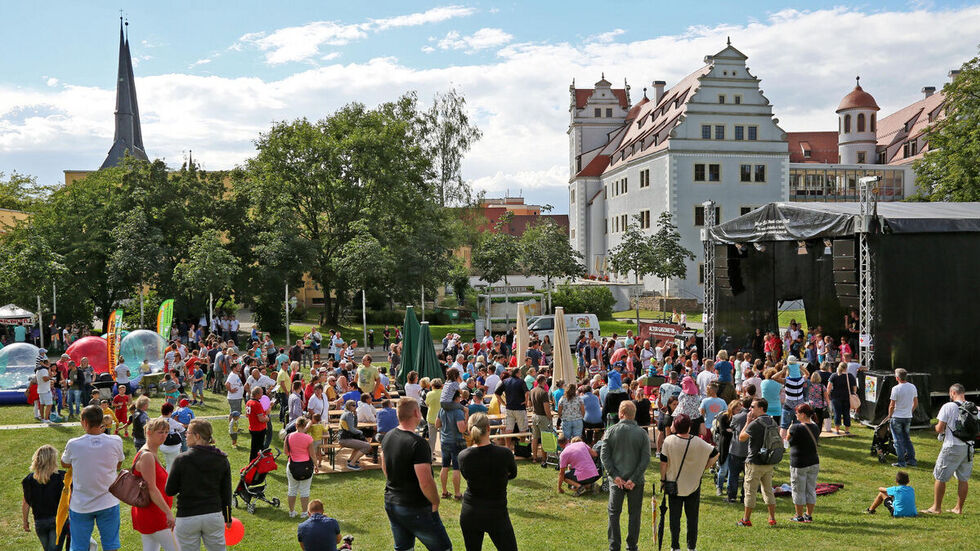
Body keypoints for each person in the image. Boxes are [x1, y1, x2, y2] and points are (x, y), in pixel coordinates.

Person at [381, 398, 452, 551]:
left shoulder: (388, 436)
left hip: (392, 502)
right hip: (416, 506)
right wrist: (435, 501)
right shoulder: (418, 443)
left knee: (403, 548)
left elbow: (385, 467)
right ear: (415, 413)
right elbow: (425, 481)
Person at [60, 404, 125, 551]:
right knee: (111, 546)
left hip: (81, 505)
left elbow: (64, 463)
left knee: (79, 547)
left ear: (84, 422)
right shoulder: (116, 441)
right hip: (108, 501)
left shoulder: (74, 444)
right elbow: (118, 463)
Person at [165, 419, 233, 551]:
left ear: (197, 436)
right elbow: (226, 492)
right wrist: (228, 517)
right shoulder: (221, 459)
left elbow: (170, 490)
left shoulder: (182, 459)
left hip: (187, 516)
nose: (185, 435)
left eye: (188, 432)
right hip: (213, 515)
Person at [458, 412, 518, 550]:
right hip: (496, 513)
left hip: (471, 512)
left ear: (469, 429)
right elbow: (512, 474)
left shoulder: (463, 456)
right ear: (489, 428)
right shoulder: (504, 454)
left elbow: (467, 476)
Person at [659, 414, 718, 551]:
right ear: (689, 427)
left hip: (673, 484)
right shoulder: (698, 441)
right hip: (693, 484)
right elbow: (715, 454)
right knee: (692, 519)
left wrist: (663, 480)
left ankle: (675, 546)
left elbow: (663, 463)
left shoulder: (669, 441)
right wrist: (703, 467)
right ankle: (691, 547)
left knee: (674, 518)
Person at [601, 401, 650, 551]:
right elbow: (645, 459)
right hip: (633, 481)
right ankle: (631, 546)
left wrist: (614, 476)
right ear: (633, 414)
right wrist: (633, 479)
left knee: (614, 513)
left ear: (621, 413)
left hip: (618, 480)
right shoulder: (642, 433)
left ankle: (614, 546)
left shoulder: (611, 431)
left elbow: (604, 455)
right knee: (634, 514)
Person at [922, 383, 975, 515]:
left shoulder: (948, 406)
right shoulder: (974, 408)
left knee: (940, 477)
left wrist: (935, 428)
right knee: (963, 478)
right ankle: (958, 508)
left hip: (952, 445)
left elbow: (940, 428)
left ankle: (936, 508)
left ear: (952, 393)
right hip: (968, 446)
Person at [131, 417, 178, 550]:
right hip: (155, 514)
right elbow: (152, 488)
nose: (164, 436)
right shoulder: (147, 456)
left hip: (150, 513)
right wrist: (168, 512)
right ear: (149, 432)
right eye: (160, 432)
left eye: (166, 432)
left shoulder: (150, 452)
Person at [737, 398, 779, 526]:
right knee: (768, 490)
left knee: (750, 491)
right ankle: (772, 518)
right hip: (768, 461)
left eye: (753, 407)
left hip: (754, 462)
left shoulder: (755, 424)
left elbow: (741, 438)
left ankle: (746, 519)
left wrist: (748, 422)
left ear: (761, 408)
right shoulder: (772, 421)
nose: (750, 409)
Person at [22, 444, 66, 551]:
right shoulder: (62, 477)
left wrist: (25, 521)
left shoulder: (29, 480)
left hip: (40, 522)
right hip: (58, 520)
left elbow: (26, 503)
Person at [787, 403, 821, 523]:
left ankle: (799, 515)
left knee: (798, 489)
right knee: (810, 489)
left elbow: (788, 441)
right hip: (813, 461)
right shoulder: (815, 427)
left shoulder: (796, 428)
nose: (796, 415)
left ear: (802, 414)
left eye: (797, 413)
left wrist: (789, 429)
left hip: (799, 462)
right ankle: (808, 515)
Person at [436, 389, 467, 500]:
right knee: (456, 468)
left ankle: (444, 492)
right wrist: (466, 417)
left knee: (444, 467)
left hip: (444, 441)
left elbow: (437, 424)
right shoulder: (458, 411)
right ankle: (457, 494)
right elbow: (462, 429)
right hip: (456, 442)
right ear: (457, 398)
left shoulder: (442, 409)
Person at [285, 417, 318, 518]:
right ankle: (304, 512)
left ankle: (291, 512)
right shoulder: (308, 438)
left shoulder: (288, 437)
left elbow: (286, 452)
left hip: (292, 465)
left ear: (296, 425)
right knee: (305, 490)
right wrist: (316, 465)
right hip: (306, 465)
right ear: (305, 426)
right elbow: (312, 454)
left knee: (292, 489)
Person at [888, 368, 919, 467]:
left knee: (898, 441)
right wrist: (910, 411)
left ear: (897, 378)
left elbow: (892, 405)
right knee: (907, 439)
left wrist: (890, 415)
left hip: (897, 416)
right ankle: (912, 460)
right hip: (907, 416)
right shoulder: (912, 387)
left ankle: (901, 462)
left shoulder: (896, 389)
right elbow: (916, 402)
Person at [339, 399, 371, 471]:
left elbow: (354, 426)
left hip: (344, 438)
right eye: (353, 405)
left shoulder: (347, 413)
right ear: (349, 406)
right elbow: (352, 429)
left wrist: (355, 416)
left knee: (360, 445)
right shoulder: (348, 414)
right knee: (367, 446)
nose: (355, 407)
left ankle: (350, 460)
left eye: (355, 405)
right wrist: (361, 432)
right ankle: (351, 464)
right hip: (345, 439)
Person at [528, 374, 554, 464]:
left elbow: (529, 405)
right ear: (543, 381)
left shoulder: (532, 391)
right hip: (542, 416)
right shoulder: (543, 393)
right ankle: (544, 458)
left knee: (534, 438)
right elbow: (546, 408)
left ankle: (534, 457)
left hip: (534, 416)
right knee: (544, 438)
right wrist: (550, 418)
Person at [826, 364, 857, 435]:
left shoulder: (834, 375)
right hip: (847, 397)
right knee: (847, 413)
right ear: (846, 368)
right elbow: (854, 387)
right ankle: (847, 430)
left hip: (835, 397)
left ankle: (837, 430)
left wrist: (827, 395)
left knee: (837, 413)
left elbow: (829, 387)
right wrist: (854, 394)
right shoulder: (850, 376)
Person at [245, 387, 269, 461]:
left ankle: (253, 463)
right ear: (257, 394)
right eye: (261, 393)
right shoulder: (257, 404)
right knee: (258, 449)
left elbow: (246, 415)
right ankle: (256, 464)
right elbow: (261, 419)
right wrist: (267, 418)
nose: (262, 395)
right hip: (259, 429)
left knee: (254, 448)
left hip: (252, 427)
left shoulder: (248, 402)